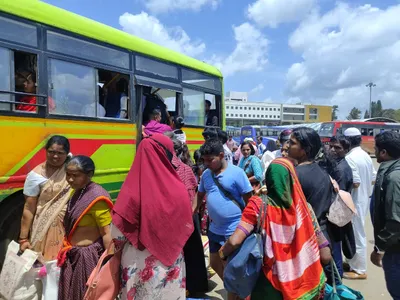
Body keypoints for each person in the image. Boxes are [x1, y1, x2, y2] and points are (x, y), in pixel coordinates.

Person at [219, 158, 327, 300]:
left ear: (269, 179)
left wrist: (222, 253)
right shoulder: (305, 209)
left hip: (268, 285)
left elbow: (234, 241)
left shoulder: (258, 205)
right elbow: (325, 255)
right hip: (306, 286)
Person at [112, 134, 193, 300]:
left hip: (137, 259)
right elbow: (186, 225)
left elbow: (117, 235)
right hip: (171, 259)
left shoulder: (131, 190)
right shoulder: (179, 189)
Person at [193, 139, 253, 296]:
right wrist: (192, 211)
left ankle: (235, 293)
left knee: (231, 266)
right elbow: (199, 195)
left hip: (233, 229)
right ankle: (233, 289)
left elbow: (249, 201)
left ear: (221, 155)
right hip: (215, 230)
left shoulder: (237, 173)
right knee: (214, 262)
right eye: (204, 160)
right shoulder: (206, 175)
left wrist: (247, 226)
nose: (206, 164)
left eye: (209, 160)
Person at [57, 156, 113, 300]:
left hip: (87, 258)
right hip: (73, 254)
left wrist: (109, 263)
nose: (70, 179)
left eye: (75, 176)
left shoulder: (97, 198)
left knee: (84, 295)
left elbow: (106, 233)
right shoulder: (77, 191)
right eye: (68, 175)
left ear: (89, 174)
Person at [288, 127, 338, 285]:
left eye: (292, 143)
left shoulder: (295, 174)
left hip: (304, 238)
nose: (288, 145)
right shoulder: (322, 172)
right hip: (323, 236)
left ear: (305, 150)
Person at [19, 135, 71, 261]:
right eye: (51, 152)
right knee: (45, 264)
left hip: (70, 225)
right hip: (44, 227)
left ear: (67, 154)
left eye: (60, 153)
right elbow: (29, 208)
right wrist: (23, 238)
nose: (55, 156)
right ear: (45, 151)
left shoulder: (72, 168)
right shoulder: (35, 176)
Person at [170, 138, 208, 296]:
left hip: (183, 216)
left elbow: (190, 194)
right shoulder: (185, 168)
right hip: (186, 215)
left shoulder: (182, 169)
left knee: (188, 252)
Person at [343, 127, 376, 279]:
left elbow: (355, 182)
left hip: (354, 201)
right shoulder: (365, 155)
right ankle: (352, 262)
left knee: (356, 234)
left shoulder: (350, 158)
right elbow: (373, 177)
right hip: (363, 199)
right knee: (354, 233)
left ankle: (360, 270)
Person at [371, 131, 400, 299]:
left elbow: (395, 220)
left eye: (376, 149)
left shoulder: (394, 177)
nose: (374, 152)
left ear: (383, 152)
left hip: (395, 249)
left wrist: (379, 248)